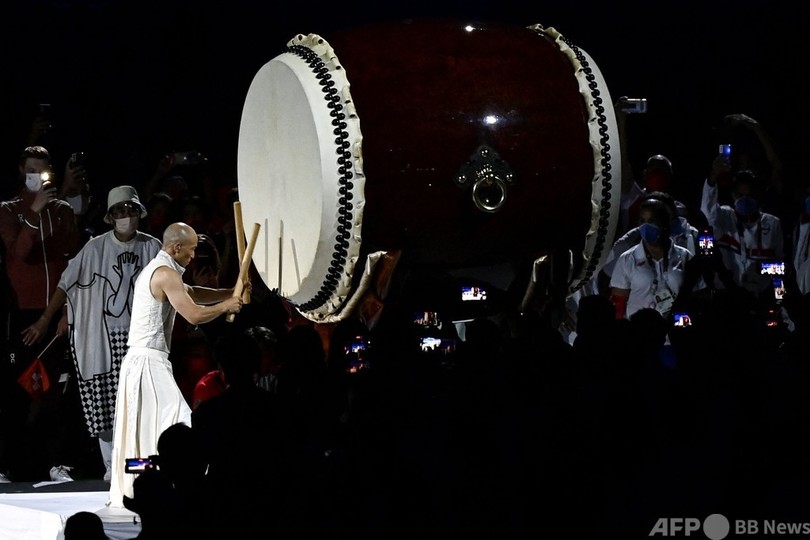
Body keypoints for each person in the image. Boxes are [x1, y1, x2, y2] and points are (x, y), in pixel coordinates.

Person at [21, 185, 162, 482]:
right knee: (105, 404)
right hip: (103, 339)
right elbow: (66, 282)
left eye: (130, 210)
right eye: (119, 211)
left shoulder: (152, 247)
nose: (125, 215)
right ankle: (113, 466)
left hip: (140, 340)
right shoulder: (95, 248)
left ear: (139, 213)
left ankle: (137, 467)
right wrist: (45, 320)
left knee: (139, 405)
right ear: (110, 217)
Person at [108, 222, 243, 508]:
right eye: (191, 250)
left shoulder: (165, 271)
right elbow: (193, 314)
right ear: (176, 247)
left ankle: (148, 485)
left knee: (149, 430)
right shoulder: (165, 273)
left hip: (148, 361)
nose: (194, 256)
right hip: (147, 363)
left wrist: (230, 291)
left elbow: (192, 292)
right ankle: (158, 486)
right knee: (179, 423)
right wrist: (226, 306)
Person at [0, 145, 80, 482]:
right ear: (22, 170)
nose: (37, 176)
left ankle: (54, 463)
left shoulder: (62, 210)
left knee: (54, 394)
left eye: (42, 170)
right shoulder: (9, 210)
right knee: (17, 393)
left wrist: (66, 312)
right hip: (22, 315)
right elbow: (19, 253)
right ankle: (9, 465)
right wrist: (34, 212)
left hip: (56, 312)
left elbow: (74, 264)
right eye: (31, 170)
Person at [700, 161, 784, 297]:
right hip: (726, 296)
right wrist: (712, 179)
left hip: (759, 297)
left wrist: (779, 297)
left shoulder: (772, 223)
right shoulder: (724, 217)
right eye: (740, 195)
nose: (745, 200)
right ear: (733, 195)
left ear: (757, 196)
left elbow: (780, 267)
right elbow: (707, 212)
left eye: (749, 195)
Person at [609, 197, 695, 320]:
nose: (646, 225)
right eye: (642, 220)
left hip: (677, 328)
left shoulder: (685, 256)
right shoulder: (627, 259)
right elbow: (618, 303)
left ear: (664, 223)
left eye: (652, 221)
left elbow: (697, 295)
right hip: (639, 329)